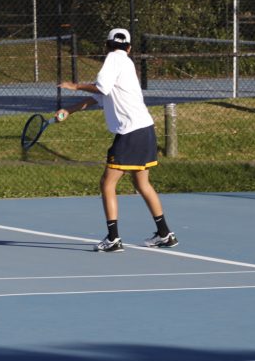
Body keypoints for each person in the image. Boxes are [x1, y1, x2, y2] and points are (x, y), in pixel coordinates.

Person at [56, 28, 178, 252]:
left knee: (107, 183)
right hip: (145, 128)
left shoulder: (112, 59)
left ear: (106, 46)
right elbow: (98, 95)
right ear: (129, 48)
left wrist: (74, 85)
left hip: (130, 132)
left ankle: (113, 239)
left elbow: (100, 88)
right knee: (142, 183)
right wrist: (69, 111)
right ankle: (165, 234)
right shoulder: (126, 63)